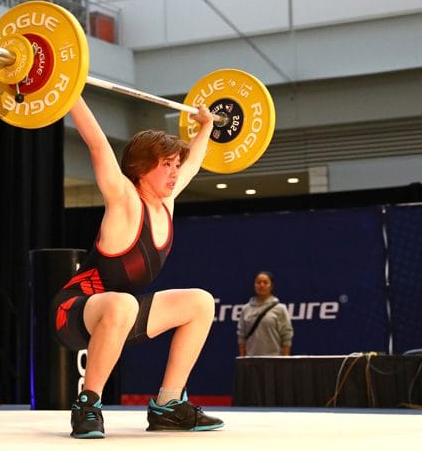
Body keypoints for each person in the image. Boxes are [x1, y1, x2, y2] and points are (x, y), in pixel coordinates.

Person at [51, 96, 224, 439]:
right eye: (167, 165)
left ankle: (169, 406)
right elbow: (98, 145)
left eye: (177, 165)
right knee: (123, 302)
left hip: (120, 317)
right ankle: (87, 404)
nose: (176, 172)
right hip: (73, 312)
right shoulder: (125, 200)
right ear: (143, 168)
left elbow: (195, 162)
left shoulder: (166, 203)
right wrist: (69, 93)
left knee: (201, 302)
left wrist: (207, 126)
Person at [237, 271, 293, 356]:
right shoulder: (246, 309)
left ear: (271, 286)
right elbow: (241, 336)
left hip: (274, 359)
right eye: (258, 282)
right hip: (251, 360)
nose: (262, 285)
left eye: (265, 282)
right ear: (254, 285)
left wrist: (284, 360)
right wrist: (243, 358)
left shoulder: (280, 309)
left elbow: (287, 336)